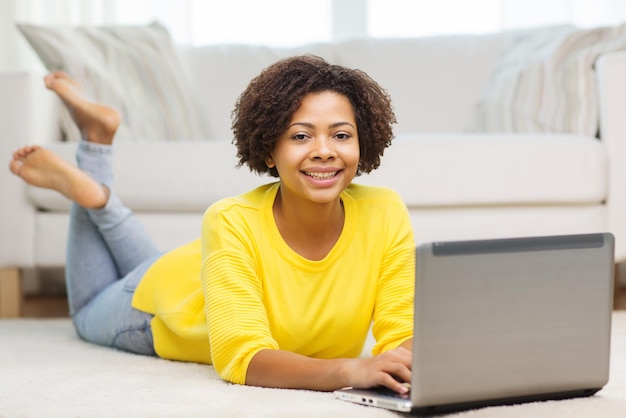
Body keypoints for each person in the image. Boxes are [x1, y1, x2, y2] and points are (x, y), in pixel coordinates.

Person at [9, 55, 415, 394]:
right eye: (301, 137)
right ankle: (93, 183)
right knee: (85, 312)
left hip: (196, 273)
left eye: (341, 135)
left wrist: (422, 358)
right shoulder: (229, 219)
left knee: (147, 262)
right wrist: (348, 371)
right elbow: (241, 357)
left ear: (363, 144)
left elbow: (401, 332)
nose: (324, 151)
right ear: (269, 151)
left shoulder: (386, 211)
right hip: (163, 307)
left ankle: (98, 167)